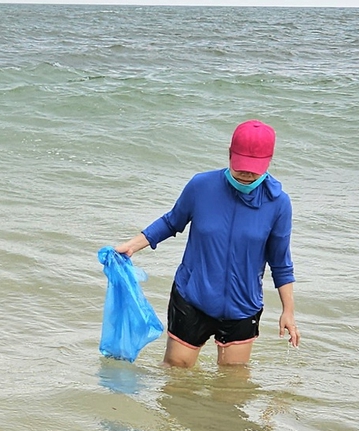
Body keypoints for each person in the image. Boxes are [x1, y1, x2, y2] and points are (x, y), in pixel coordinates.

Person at [115, 120, 299, 367]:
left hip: (243, 306)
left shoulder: (278, 204)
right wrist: (133, 245)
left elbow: (280, 262)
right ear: (230, 153)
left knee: (231, 387)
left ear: (268, 161)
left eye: (254, 169)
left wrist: (288, 311)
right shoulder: (201, 186)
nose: (246, 174)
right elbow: (172, 222)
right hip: (193, 297)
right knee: (175, 373)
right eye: (242, 165)